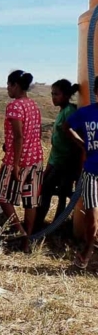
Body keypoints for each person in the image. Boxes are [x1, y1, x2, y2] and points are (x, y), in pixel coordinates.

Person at [0, 70, 44, 253]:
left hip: (18, 160)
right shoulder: (33, 105)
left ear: (15, 85)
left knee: (2, 195)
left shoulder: (14, 106)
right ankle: (27, 243)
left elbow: (19, 137)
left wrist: (14, 163)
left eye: (8, 85)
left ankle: (19, 231)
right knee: (31, 202)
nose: (7, 88)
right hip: (36, 159)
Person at [35, 79, 81, 231]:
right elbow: (57, 145)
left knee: (58, 192)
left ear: (67, 95)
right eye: (52, 94)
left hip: (66, 163)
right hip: (56, 161)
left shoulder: (70, 111)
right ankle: (43, 223)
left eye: (57, 94)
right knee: (48, 190)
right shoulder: (63, 111)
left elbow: (76, 136)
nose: (53, 97)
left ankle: (54, 225)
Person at [65, 77, 98, 269]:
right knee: (91, 214)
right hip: (91, 172)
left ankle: (88, 252)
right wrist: (82, 144)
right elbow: (66, 127)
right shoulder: (86, 113)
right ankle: (88, 250)